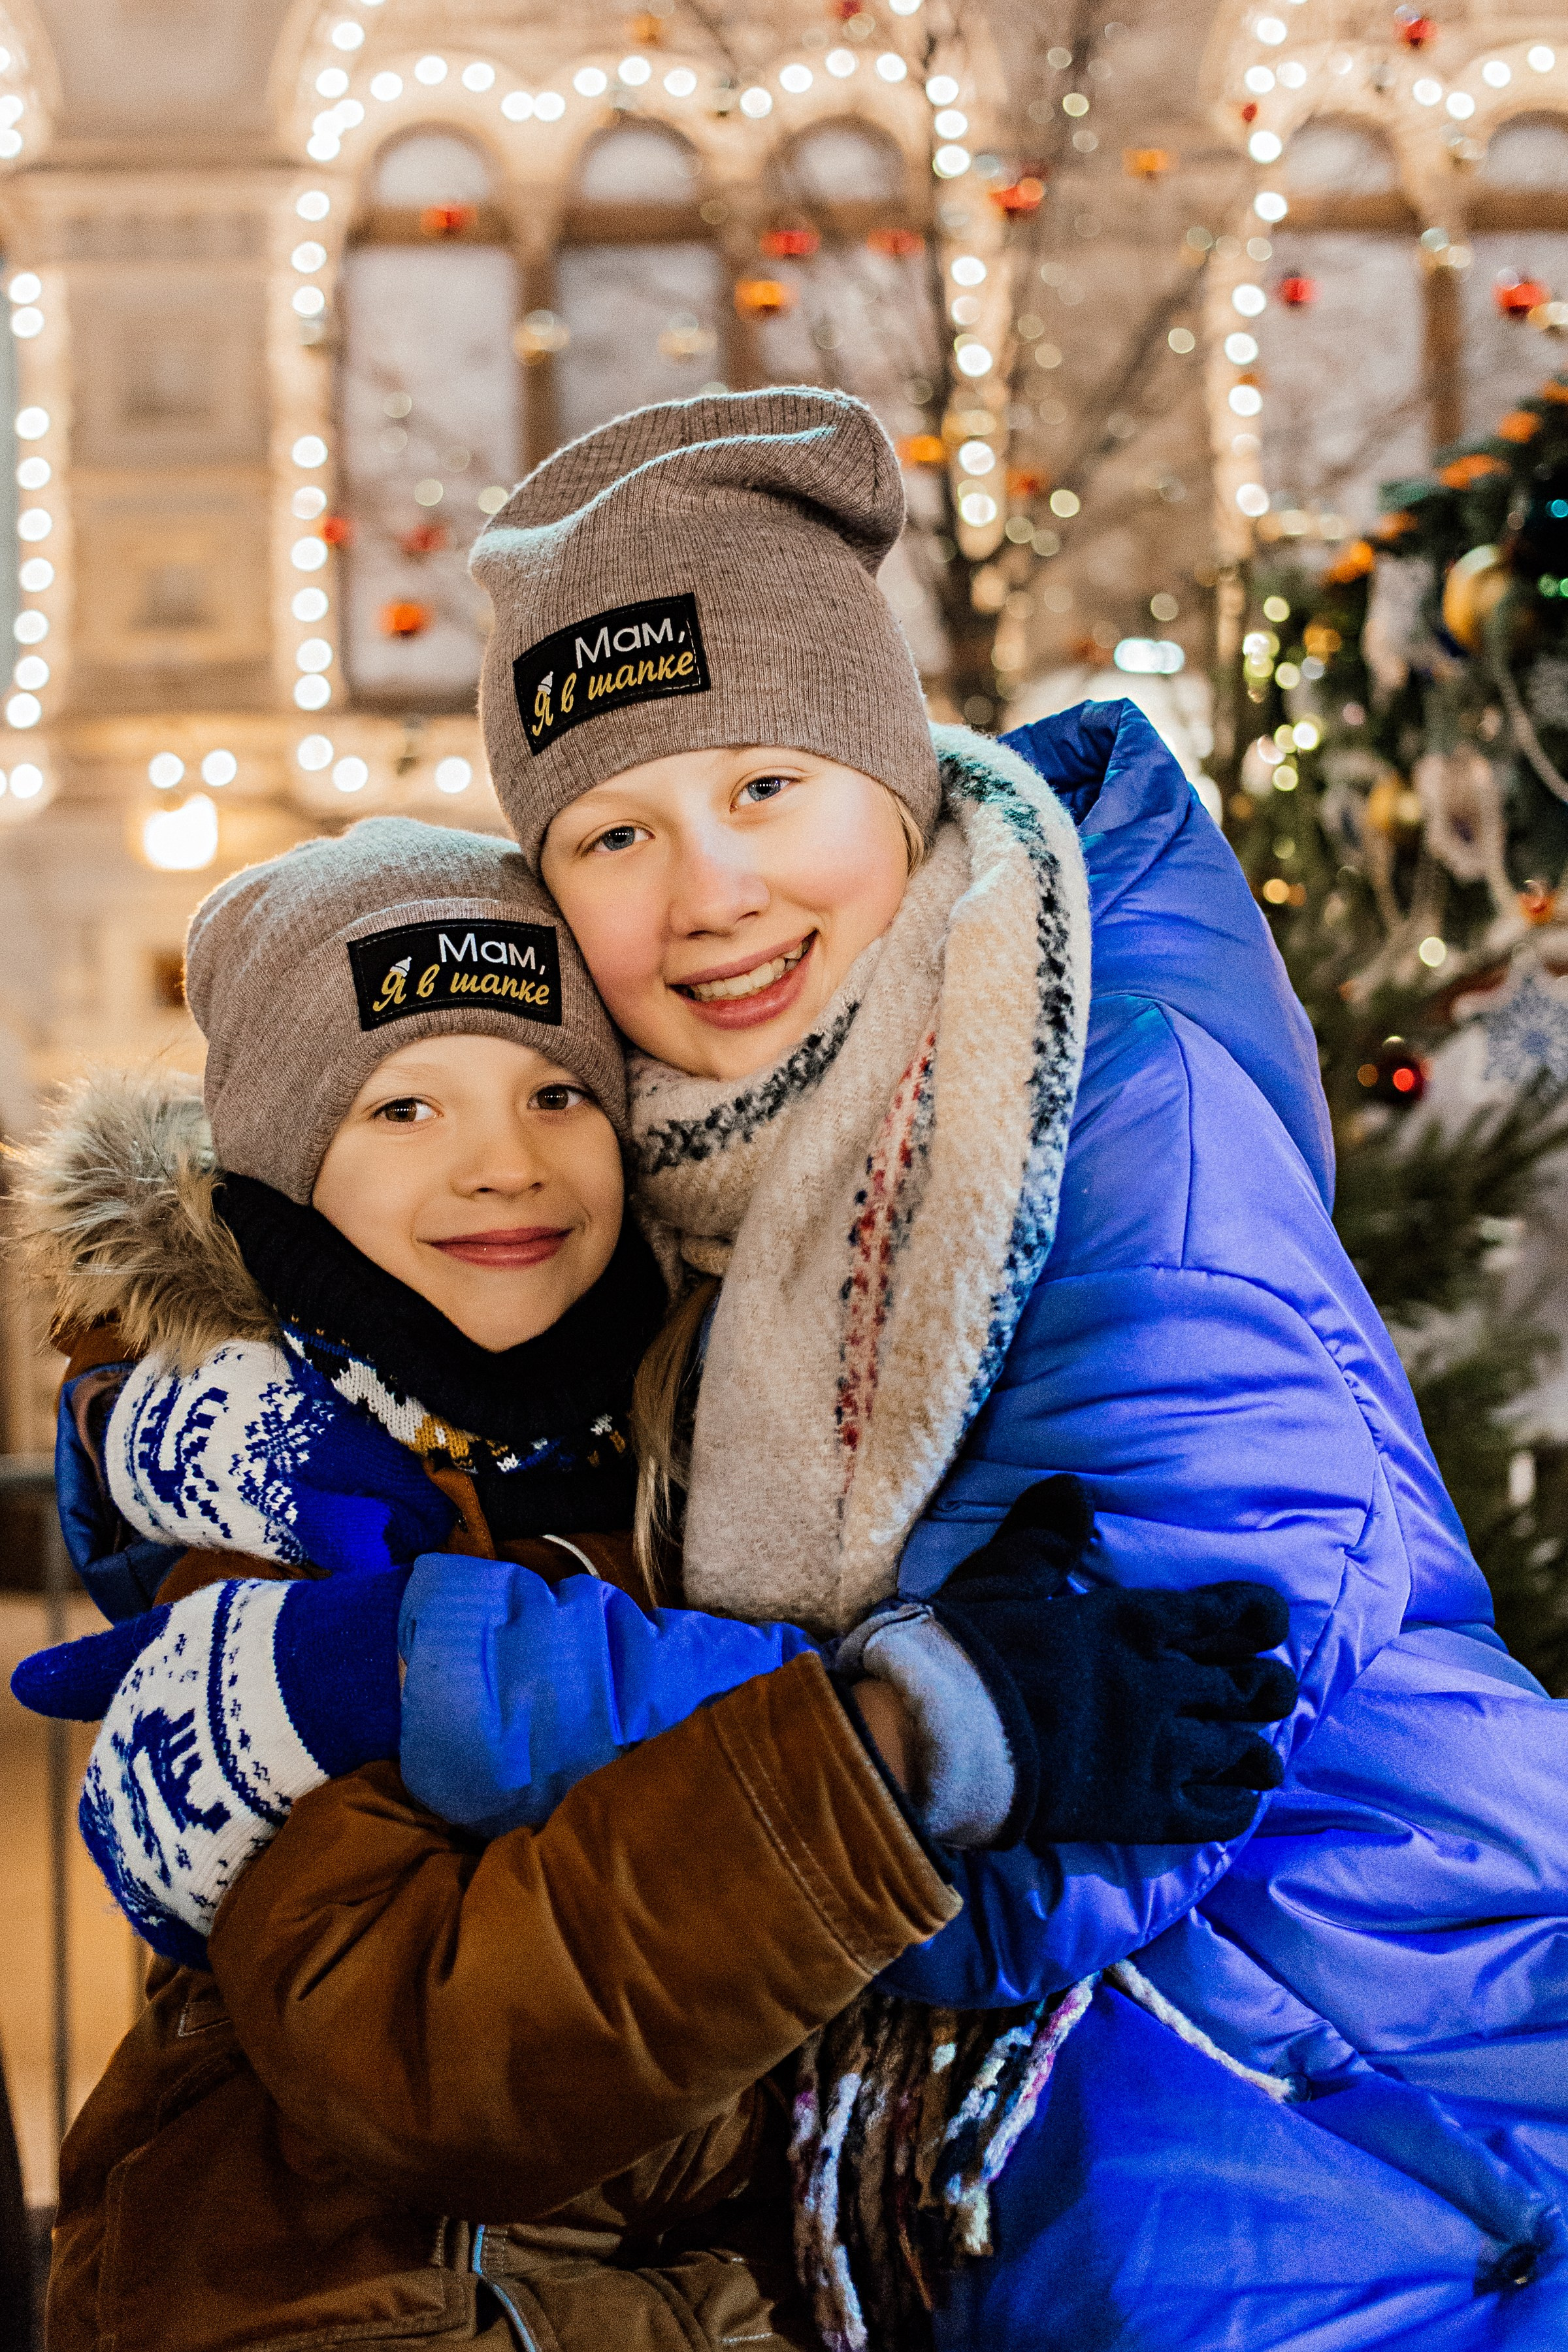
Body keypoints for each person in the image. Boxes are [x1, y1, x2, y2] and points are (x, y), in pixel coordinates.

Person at [12, 811, 1289, 2351]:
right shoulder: (293, 1534)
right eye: (403, 1107)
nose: (504, 1162)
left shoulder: (642, 1437)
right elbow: (430, 2051)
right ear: (284, 1181)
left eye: (559, 1089)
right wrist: (905, 1743)